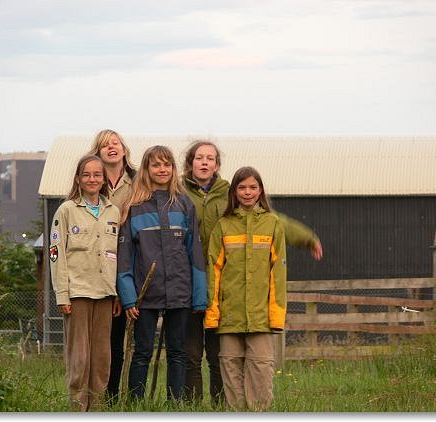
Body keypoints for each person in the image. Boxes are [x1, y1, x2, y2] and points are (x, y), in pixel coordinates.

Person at [181, 140, 323, 404]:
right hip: (189, 279)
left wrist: (307, 238)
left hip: (226, 284)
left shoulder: (229, 192)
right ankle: (191, 407)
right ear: (190, 163)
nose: (204, 162)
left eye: (210, 158)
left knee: (220, 356)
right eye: (199, 157)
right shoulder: (178, 192)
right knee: (190, 353)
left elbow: (275, 222)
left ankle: (222, 407)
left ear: (217, 165)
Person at [116, 145, 207, 401]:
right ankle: (135, 404)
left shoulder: (184, 204)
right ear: (146, 169)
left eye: (167, 164)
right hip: (145, 294)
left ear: (173, 169)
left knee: (177, 352)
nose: (162, 169)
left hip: (180, 290)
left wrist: (199, 296)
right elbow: (125, 257)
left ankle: (174, 405)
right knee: (142, 352)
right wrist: (128, 297)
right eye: (156, 165)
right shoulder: (134, 207)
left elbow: (195, 252)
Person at [204, 166, 286, 411]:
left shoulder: (273, 224)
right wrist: (213, 313)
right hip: (230, 316)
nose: (247, 192)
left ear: (260, 191)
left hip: (261, 317)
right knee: (230, 369)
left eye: (252, 187)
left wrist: (276, 315)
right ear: (234, 192)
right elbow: (213, 272)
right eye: (242, 187)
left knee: (261, 368)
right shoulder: (223, 226)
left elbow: (278, 275)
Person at [49, 154, 120, 411]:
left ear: (104, 179)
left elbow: (115, 255)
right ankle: (77, 409)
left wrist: (117, 294)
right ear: (78, 179)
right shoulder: (67, 210)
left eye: (97, 175)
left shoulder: (113, 212)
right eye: (86, 174)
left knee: (101, 358)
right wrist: (62, 294)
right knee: (80, 358)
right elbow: (56, 253)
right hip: (78, 293)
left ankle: (97, 408)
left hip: (105, 294)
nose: (92, 179)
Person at [88, 129, 137, 402]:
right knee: (97, 340)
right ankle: (91, 395)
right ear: (97, 152)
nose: (111, 148)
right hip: (97, 263)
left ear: (124, 149)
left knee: (117, 340)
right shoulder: (92, 181)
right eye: (105, 145)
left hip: (127, 260)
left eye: (115, 143)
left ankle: (112, 396)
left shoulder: (137, 181)